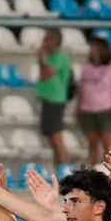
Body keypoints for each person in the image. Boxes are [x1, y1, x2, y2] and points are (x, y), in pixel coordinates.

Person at [77, 35, 111, 167]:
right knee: (92, 142)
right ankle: (94, 168)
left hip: (105, 108)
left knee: (106, 142)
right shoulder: (86, 68)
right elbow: (82, 88)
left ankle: (109, 169)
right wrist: (78, 106)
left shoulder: (110, 68)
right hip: (87, 109)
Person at [34, 29, 71, 168]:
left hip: (55, 99)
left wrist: (41, 58)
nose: (43, 43)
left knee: (56, 136)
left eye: (46, 40)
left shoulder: (60, 57)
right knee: (51, 137)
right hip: (47, 99)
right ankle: (59, 167)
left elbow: (46, 74)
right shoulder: (48, 57)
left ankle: (66, 166)